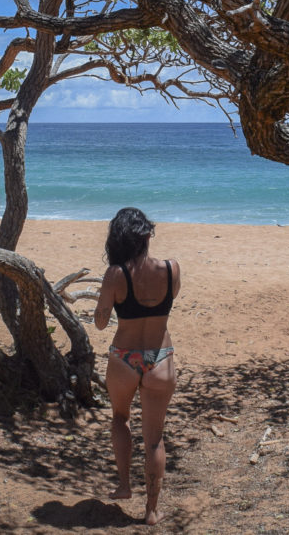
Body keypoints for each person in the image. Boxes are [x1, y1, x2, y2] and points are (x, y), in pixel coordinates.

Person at [94, 207, 180, 526]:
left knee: (120, 417)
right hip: (160, 357)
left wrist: (106, 307)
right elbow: (167, 303)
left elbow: (101, 323)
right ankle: (152, 510)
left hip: (125, 357)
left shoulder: (116, 274)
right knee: (155, 438)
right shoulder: (172, 269)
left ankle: (124, 486)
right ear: (146, 237)